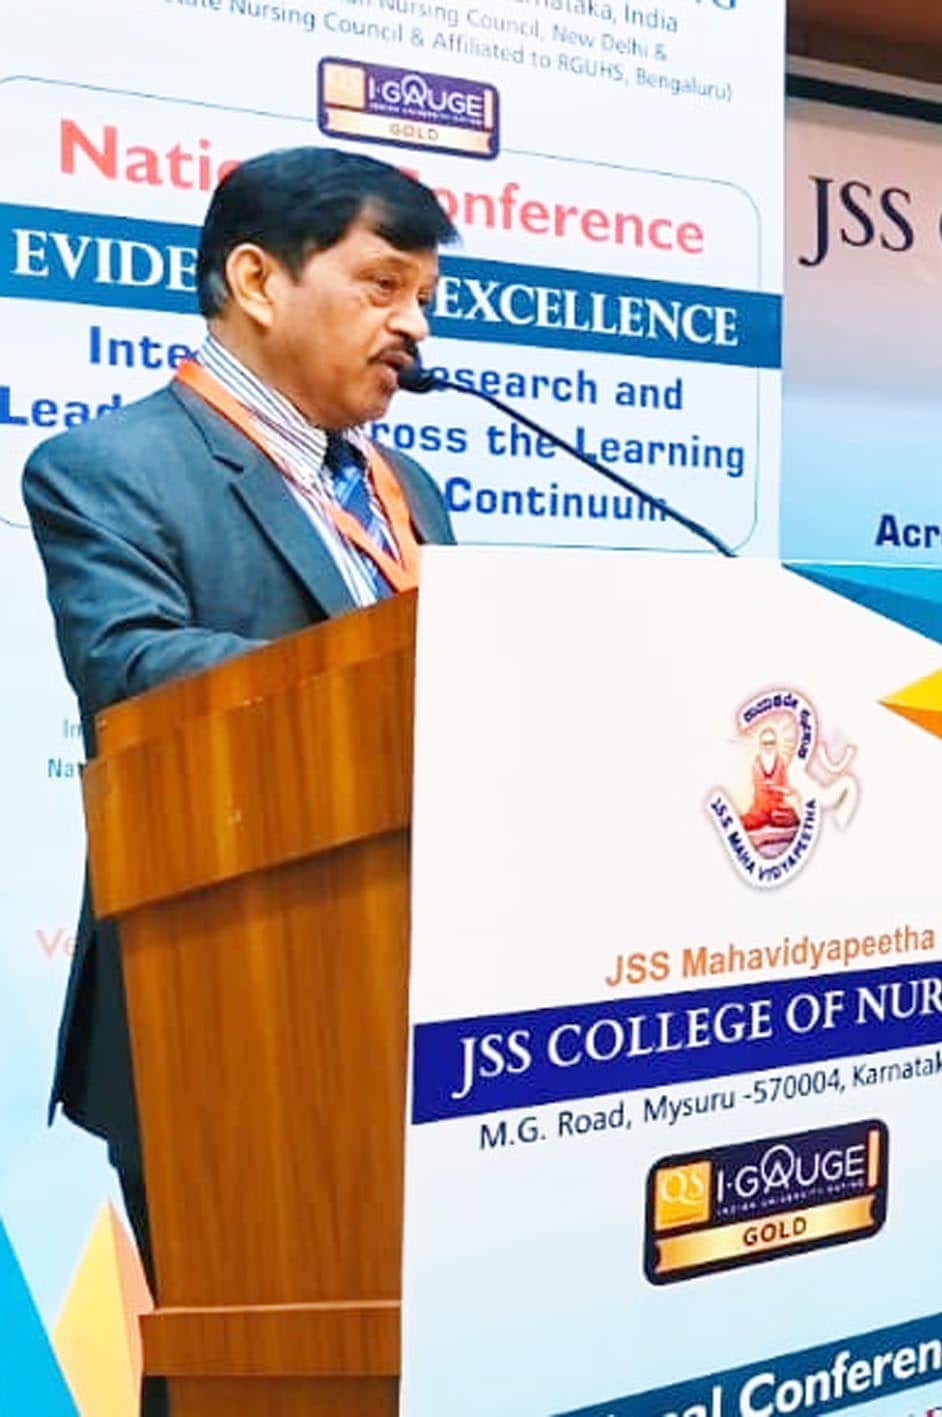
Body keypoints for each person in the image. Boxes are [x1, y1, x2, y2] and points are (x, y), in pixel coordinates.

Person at [23, 146, 460, 1275]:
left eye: (426, 296)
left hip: (423, 999)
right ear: (258, 281)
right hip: (224, 1007)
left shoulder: (408, 489)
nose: (415, 326)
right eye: (384, 285)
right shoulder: (109, 466)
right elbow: (131, 666)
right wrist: (401, 671)